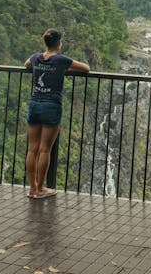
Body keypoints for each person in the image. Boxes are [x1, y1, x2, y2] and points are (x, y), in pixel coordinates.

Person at [24, 29, 90, 199]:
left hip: (34, 104)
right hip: (51, 106)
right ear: (58, 43)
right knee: (45, 149)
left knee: (32, 149)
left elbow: (26, 65)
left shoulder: (36, 57)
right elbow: (86, 68)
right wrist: (61, 70)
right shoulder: (61, 60)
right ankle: (40, 188)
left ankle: (32, 188)